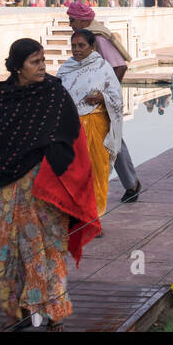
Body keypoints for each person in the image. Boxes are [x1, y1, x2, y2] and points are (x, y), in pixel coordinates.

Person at [0, 38, 100, 332]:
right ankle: (19, 310)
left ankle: (54, 313)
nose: (42, 67)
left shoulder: (54, 94)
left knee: (46, 250)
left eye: (43, 60)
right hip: (5, 184)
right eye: (35, 62)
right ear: (18, 67)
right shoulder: (2, 98)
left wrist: (50, 156)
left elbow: (71, 134)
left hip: (43, 185)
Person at [65, 1, 141, 203]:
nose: (70, 24)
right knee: (111, 142)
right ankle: (130, 184)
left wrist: (106, 94)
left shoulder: (97, 37)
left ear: (82, 19)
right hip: (85, 109)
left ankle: (130, 184)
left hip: (100, 105)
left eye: (72, 20)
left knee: (113, 141)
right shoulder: (87, 36)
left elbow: (119, 66)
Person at [56, 29, 123, 217]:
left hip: (96, 125)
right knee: (74, 172)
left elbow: (117, 98)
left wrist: (103, 97)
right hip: (71, 128)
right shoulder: (65, 69)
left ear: (92, 47)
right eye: (74, 46)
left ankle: (95, 217)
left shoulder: (102, 67)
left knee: (96, 171)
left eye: (81, 46)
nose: (76, 50)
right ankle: (77, 215)